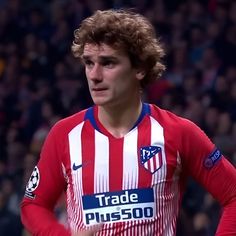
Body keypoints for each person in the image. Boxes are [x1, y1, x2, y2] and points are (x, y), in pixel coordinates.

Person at [20, 9, 236, 236]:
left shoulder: (178, 132)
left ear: (140, 68)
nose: (94, 75)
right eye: (88, 63)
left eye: (108, 63)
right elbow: (33, 205)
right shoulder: (64, 134)